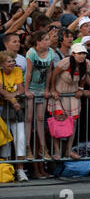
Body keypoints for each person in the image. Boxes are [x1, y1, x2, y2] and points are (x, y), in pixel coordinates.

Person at [48, 43, 90, 160]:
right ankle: (57, 150)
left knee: (73, 123)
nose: (82, 56)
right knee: (58, 122)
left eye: (83, 53)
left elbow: (84, 76)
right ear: (73, 54)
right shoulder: (66, 62)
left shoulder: (86, 64)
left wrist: (81, 88)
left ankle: (69, 149)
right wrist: (53, 90)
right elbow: (54, 74)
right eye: (79, 53)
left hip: (73, 94)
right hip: (59, 93)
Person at [24, 31, 54, 161]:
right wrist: (26, 90)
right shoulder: (31, 53)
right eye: (46, 40)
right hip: (31, 87)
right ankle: (27, 147)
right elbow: (29, 72)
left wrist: (47, 89)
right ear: (38, 42)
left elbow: (49, 73)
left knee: (41, 118)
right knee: (29, 118)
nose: (48, 42)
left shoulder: (51, 52)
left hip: (41, 88)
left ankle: (43, 147)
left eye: (48, 39)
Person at [0, 51, 27, 181]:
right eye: (8, 61)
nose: (12, 63)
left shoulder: (17, 70)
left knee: (20, 138)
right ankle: (6, 169)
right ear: (1, 64)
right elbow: (1, 90)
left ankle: (20, 170)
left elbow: (21, 89)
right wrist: (14, 100)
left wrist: (12, 97)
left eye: (13, 61)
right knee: (5, 139)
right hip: (2, 109)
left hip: (14, 109)